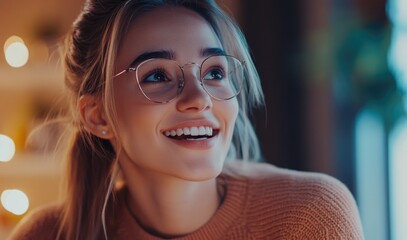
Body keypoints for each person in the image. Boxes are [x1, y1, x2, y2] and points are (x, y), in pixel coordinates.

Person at [9, 0, 364, 239]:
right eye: (157, 76)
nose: (199, 99)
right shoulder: (45, 234)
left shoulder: (309, 215)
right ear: (98, 115)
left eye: (213, 72)